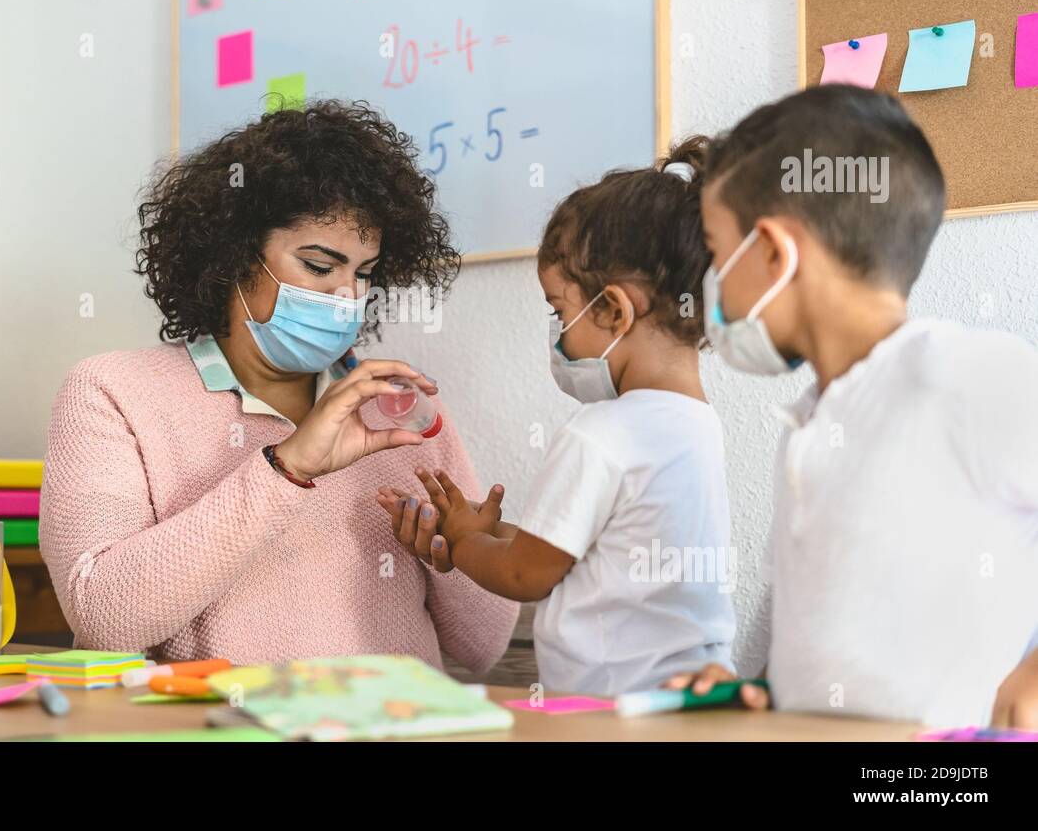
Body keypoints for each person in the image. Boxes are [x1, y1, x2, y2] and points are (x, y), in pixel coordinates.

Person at [40, 100, 518, 673]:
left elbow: (482, 650)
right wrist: (286, 468)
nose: (348, 296)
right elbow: (103, 618)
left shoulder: (400, 410)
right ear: (236, 257)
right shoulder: (112, 392)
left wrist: (460, 555)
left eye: (364, 273)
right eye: (320, 266)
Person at [670, 85, 1038, 727]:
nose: (712, 279)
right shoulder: (811, 424)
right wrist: (767, 690)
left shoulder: (965, 374)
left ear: (775, 253)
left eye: (715, 248)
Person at [380, 139, 736, 696]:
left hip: (605, 709)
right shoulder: (696, 424)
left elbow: (527, 575)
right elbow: (583, 556)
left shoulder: (600, 433)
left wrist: (464, 541)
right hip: (688, 696)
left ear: (614, 309)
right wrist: (494, 528)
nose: (558, 331)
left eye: (559, 310)